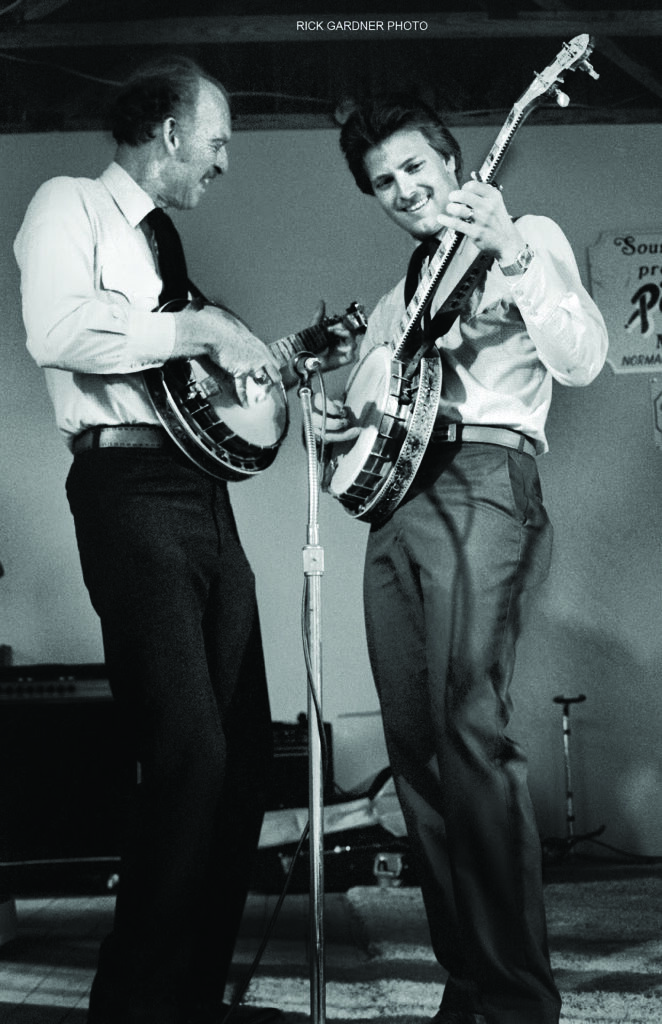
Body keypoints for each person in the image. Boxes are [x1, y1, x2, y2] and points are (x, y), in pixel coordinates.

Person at [14, 56, 352, 1024]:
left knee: (243, 755)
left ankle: (196, 999)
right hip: (124, 486)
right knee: (188, 752)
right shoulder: (68, 205)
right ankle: (134, 1003)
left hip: (200, 495)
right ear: (167, 133)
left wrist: (266, 376)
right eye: (217, 142)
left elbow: (200, 389)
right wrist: (200, 329)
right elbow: (59, 329)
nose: (224, 163)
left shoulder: (167, 252)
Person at [320, 96, 608, 1024]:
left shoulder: (526, 235)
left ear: (452, 160)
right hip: (395, 508)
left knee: (471, 736)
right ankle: (470, 977)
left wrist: (515, 256)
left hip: (485, 478)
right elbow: (378, 394)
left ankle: (520, 999)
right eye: (382, 183)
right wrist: (341, 419)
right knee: (418, 753)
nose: (403, 189)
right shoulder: (404, 294)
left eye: (415, 168)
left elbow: (584, 356)